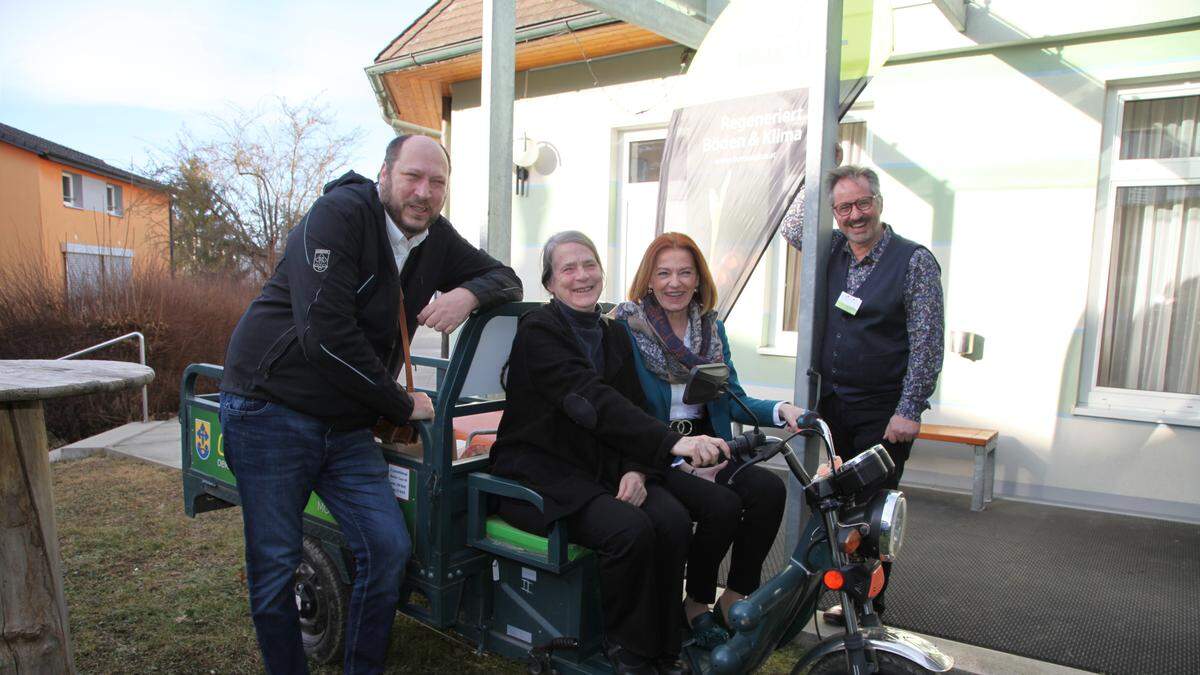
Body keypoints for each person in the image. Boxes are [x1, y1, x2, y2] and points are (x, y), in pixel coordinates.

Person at [218, 134, 522, 674]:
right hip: (270, 409)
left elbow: (507, 278)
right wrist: (401, 405)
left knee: (386, 549)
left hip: (345, 423)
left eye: (437, 182)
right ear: (384, 174)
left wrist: (466, 294)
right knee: (275, 563)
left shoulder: (433, 238)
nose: (424, 192)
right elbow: (326, 335)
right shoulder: (339, 215)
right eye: (412, 177)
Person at [489, 231, 728, 675]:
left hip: (601, 465)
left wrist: (638, 469)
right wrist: (673, 443)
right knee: (629, 531)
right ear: (550, 283)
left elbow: (632, 408)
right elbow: (590, 398)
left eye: (589, 265)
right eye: (568, 268)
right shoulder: (539, 331)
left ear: (601, 270)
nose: (582, 276)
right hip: (541, 474)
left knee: (673, 521)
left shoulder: (613, 332)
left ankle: (665, 644)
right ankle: (627, 651)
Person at [613, 232, 804, 648]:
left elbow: (732, 397)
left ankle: (735, 597)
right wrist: (679, 459)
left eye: (685, 272)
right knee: (723, 505)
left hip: (710, 446)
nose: (674, 283)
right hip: (656, 450)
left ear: (699, 280)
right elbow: (623, 411)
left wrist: (780, 410)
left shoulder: (710, 329)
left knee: (769, 490)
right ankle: (696, 602)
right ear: (648, 279)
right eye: (663, 273)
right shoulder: (625, 328)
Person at [781, 165, 944, 621]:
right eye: (844, 207)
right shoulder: (831, 249)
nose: (855, 215)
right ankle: (840, 595)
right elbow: (791, 226)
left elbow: (928, 340)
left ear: (880, 202)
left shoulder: (913, 261)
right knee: (835, 505)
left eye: (863, 203)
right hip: (834, 405)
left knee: (874, 514)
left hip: (883, 411)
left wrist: (909, 408)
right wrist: (819, 164)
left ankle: (868, 607)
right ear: (833, 213)